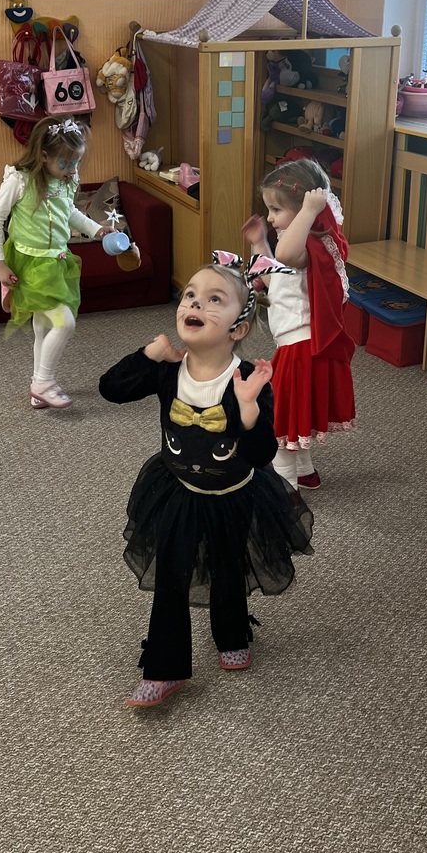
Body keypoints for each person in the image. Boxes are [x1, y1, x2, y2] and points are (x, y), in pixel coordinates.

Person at [99, 254, 313, 708]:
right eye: (190, 295)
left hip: (234, 495)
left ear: (238, 328)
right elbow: (110, 389)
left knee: (228, 567)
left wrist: (249, 407)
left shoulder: (248, 380)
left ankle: (233, 634)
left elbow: (262, 455)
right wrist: (148, 354)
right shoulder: (166, 370)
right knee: (170, 578)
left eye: (215, 299)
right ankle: (163, 668)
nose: (194, 303)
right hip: (178, 492)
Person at [240, 157, 355, 491]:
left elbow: (286, 257)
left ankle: (284, 491)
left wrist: (306, 212)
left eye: (276, 210)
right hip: (295, 346)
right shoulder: (299, 243)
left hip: (301, 349)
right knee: (293, 415)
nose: (270, 218)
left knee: (278, 420)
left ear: (307, 208)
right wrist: (259, 243)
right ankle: (304, 471)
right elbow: (274, 279)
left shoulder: (311, 246)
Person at [0, 116, 102, 410]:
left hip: (56, 262)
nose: (72, 169)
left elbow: (69, 212)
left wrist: (97, 230)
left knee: (43, 327)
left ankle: (38, 387)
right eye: (65, 163)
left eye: (76, 162)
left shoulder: (66, 180)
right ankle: (43, 383)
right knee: (65, 322)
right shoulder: (20, 180)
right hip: (29, 265)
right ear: (44, 155)